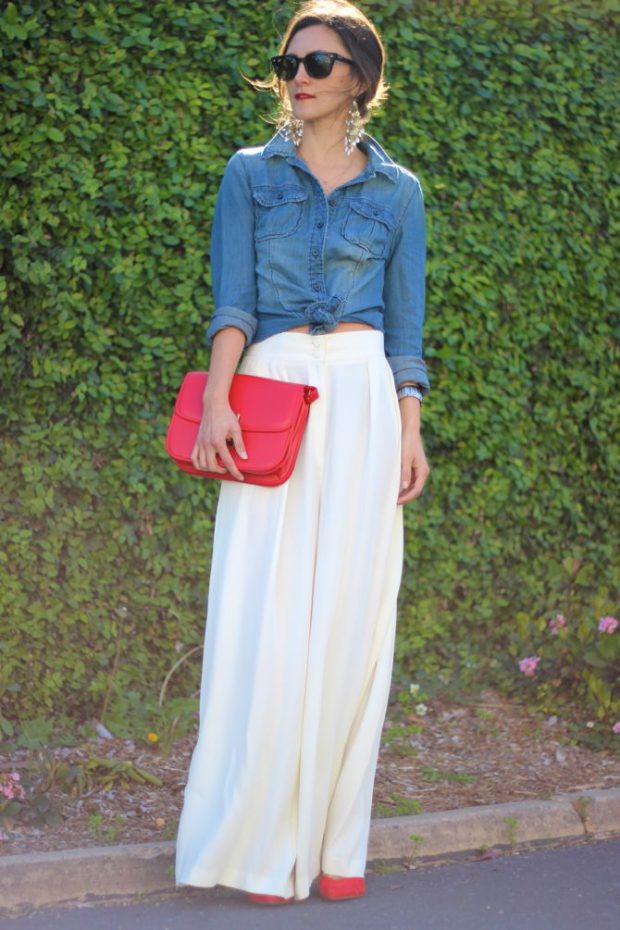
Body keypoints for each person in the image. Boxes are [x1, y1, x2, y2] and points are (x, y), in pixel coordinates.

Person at [174, 0, 431, 905]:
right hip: (273, 393)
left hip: (363, 401)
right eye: (289, 64)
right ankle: (257, 848)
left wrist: (409, 424)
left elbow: (406, 329)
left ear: (359, 77)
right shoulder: (249, 174)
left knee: (353, 622)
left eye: (318, 64)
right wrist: (217, 402)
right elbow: (234, 301)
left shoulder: (398, 191)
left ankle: (335, 847)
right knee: (264, 617)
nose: (299, 79)